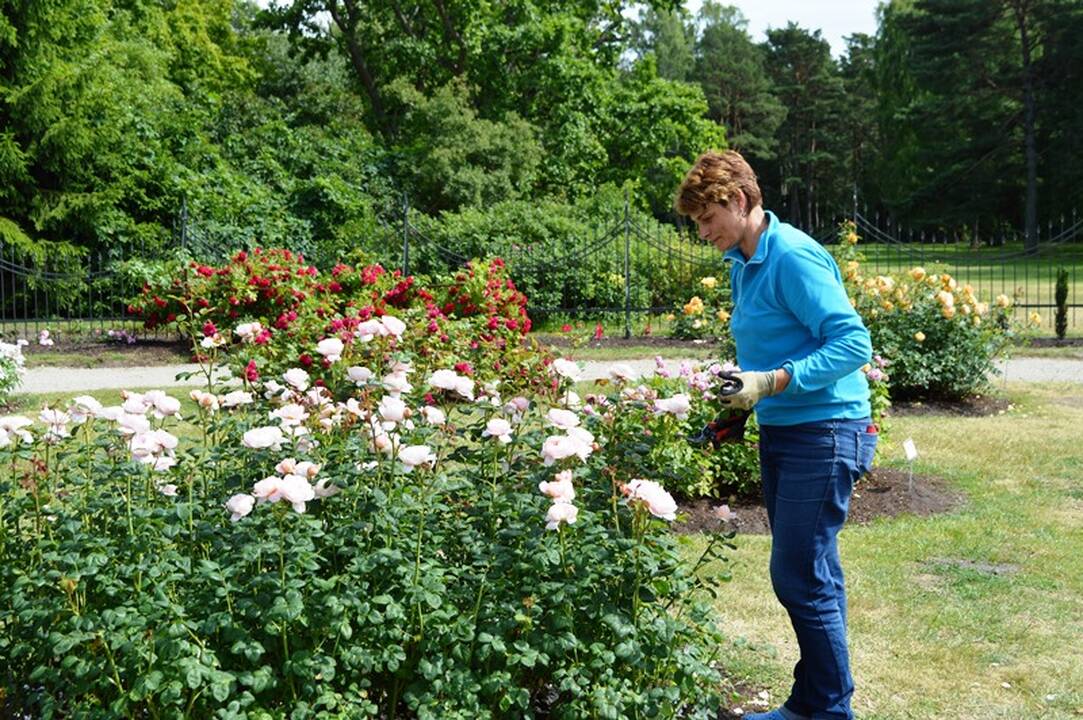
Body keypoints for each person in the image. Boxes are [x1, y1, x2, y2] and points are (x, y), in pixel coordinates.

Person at [675, 150, 877, 720]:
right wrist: (740, 406)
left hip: (828, 430)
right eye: (695, 222)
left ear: (738, 200)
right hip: (786, 430)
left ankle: (830, 710)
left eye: (706, 217)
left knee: (795, 574)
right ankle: (814, 703)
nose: (702, 230)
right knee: (815, 572)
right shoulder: (745, 261)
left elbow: (852, 344)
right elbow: (765, 349)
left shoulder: (792, 256)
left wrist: (773, 379)